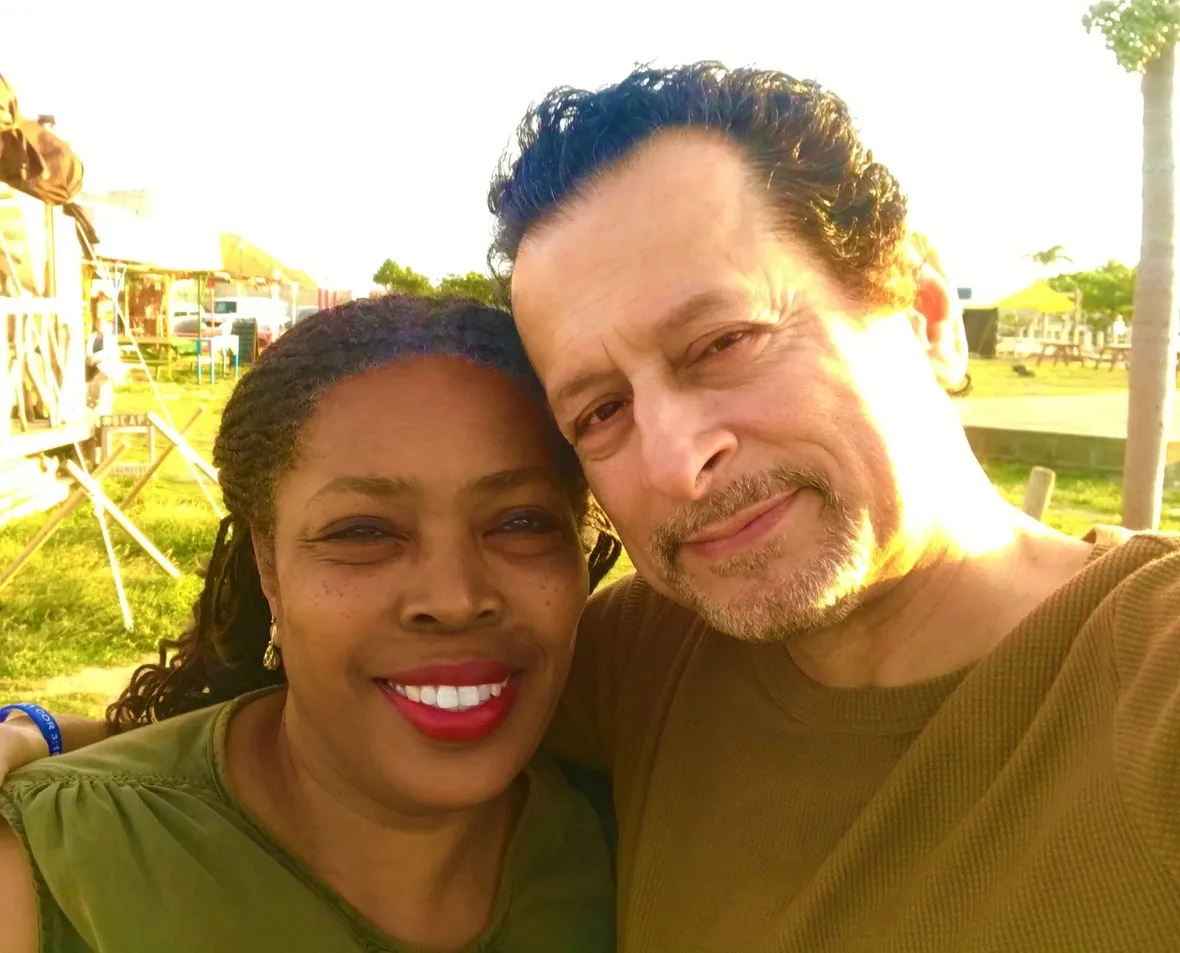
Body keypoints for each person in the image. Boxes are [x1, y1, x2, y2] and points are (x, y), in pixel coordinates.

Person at [5, 62, 1180, 951]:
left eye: (722, 340)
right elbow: (347, 708)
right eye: (600, 409)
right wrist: (49, 741)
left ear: (921, 311)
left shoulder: (1146, 684)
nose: (675, 458)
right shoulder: (657, 655)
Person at [0, 295, 617, 952]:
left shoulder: (631, 832)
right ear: (268, 562)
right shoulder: (54, 873)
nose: (456, 596)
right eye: (364, 530)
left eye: (521, 521)